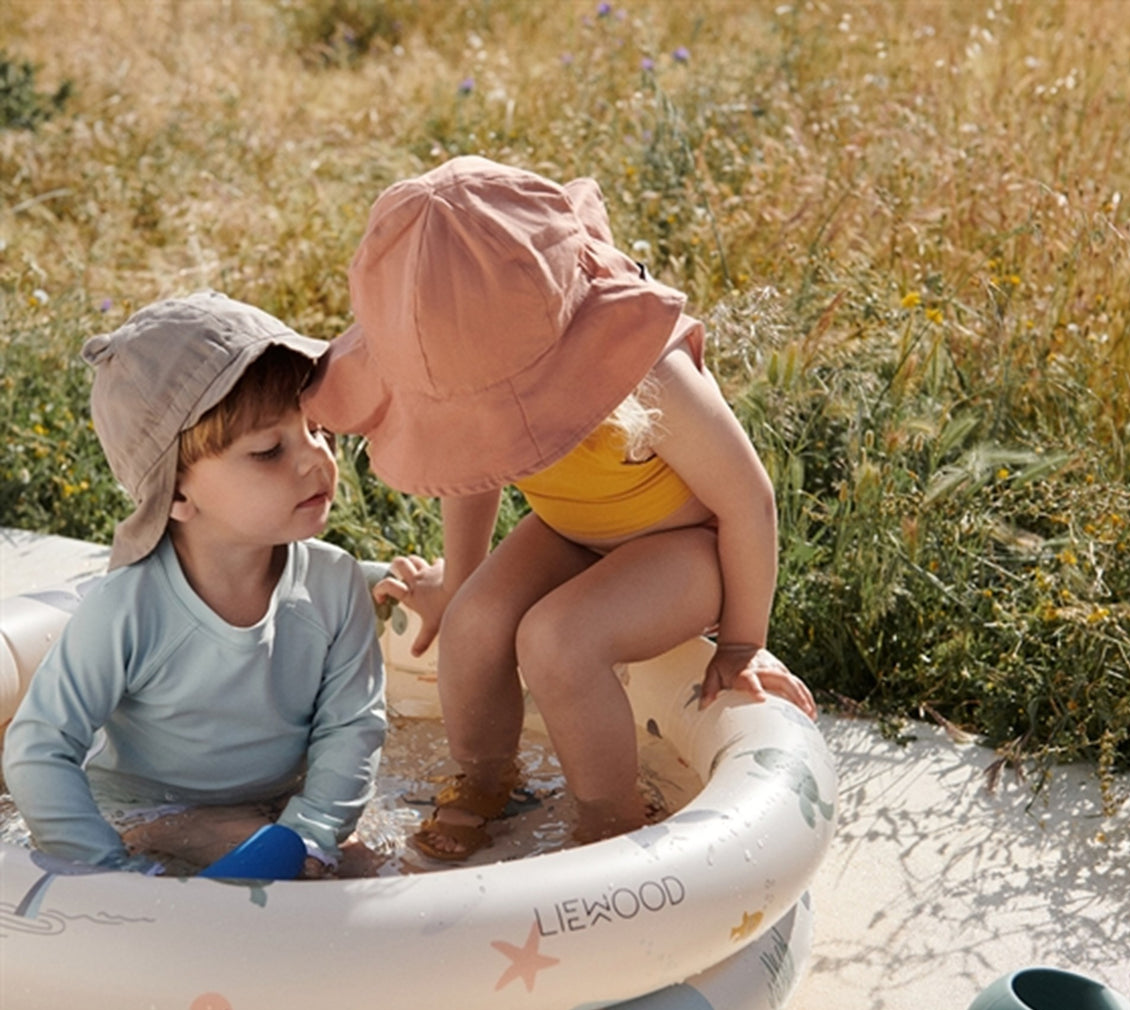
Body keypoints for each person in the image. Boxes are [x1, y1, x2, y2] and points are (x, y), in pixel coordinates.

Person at [304, 156, 816, 861]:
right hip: (572, 532)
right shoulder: (480, 371)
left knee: (558, 641)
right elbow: (474, 470)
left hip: (688, 547)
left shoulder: (639, 363)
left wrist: (742, 644)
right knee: (476, 622)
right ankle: (488, 779)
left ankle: (612, 822)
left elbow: (747, 499)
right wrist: (456, 582)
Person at [3, 291, 386, 878]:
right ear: (175, 493)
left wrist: (312, 833)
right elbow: (39, 746)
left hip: (279, 803)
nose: (316, 460)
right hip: (149, 810)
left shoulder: (334, 586)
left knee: (361, 869)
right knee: (267, 863)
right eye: (268, 450)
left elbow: (352, 727)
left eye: (315, 428)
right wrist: (105, 869)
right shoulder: (129, 608)